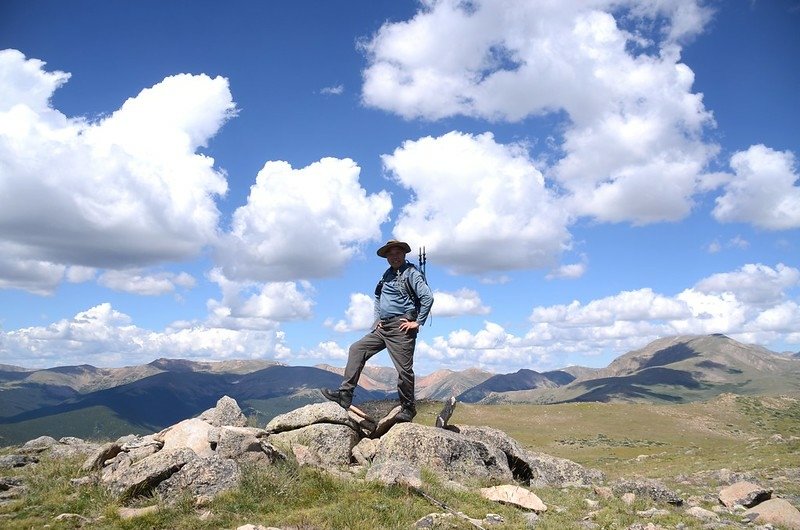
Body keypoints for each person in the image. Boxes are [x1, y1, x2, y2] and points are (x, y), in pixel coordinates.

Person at [322, 239, 434, 422]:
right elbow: (377, 296)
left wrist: (417, 322)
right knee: (357, 349)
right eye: (391, 253)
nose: (394, 256)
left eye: (398, 252)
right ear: (387, 257)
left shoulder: (411, 273)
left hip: (401, 327)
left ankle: (408, 408)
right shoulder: (386, 275)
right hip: (384, 327)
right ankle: (345, 395)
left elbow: (427, 297)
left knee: (404, 370)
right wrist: (377, 320)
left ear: (404, 254)